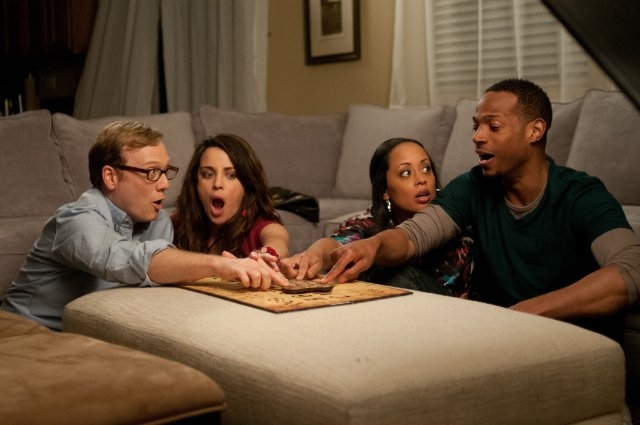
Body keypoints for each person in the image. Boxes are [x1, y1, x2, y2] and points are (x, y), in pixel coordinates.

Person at [321, 78, 640, 342]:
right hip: (494, 335)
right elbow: (412, 237)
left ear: (534, 131)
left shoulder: (581, 194)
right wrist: (373, 246)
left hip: (567, 339)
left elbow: (633, 268)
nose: (477, 137)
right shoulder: (472, 186)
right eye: (476, 126)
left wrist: (524, 313)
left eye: (493, 126)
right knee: (394, 273)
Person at [0, 121, 287, 330]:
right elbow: (124, 258)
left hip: (95, 338)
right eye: (151, 172)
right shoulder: (75, 221)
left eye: (165, 172)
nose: (164, 184)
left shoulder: (158, 221)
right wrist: (220, 265)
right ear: (111, 177)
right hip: (27, 336)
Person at [280, 137, 474, 297]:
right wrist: (313, 255)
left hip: (450, 310)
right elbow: (337, 244)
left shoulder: (451, 219)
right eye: (406, 173)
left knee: (397, 276)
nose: (421, 179)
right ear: (385, 191)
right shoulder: (371, 221)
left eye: (426, 169)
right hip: (393, 316)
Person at [172, 134, 289, 262]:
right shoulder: (179, 224)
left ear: (247, 185)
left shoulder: (260, 226)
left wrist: (264, 256)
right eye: (208, 174)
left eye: (231, 175)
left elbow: (278, 240)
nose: (217, 184)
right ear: (195, 183)